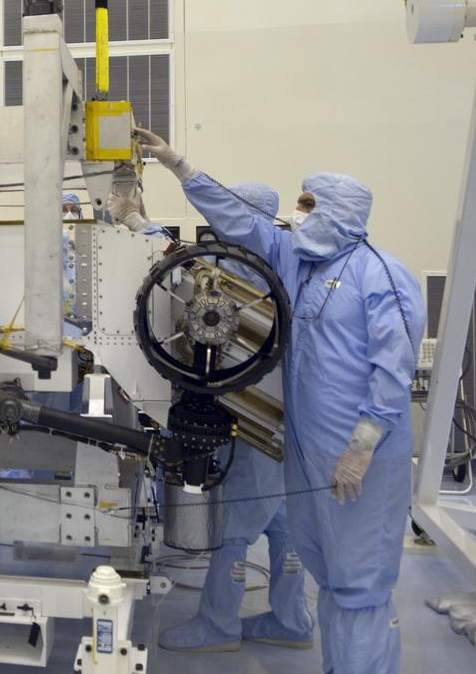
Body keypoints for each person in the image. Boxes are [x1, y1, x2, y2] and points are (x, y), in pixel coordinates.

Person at [134, 127, 424, 674]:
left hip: (358, 459)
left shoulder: (381, 275)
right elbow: (242, 223)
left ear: (342, 212)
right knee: (325, 570)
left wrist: (362, 445)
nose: (300, 214)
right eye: (299, 203)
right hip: (306, 451)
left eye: (310, 205)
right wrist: (179, 165)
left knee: (357, 583)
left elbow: (393, 368)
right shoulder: (299, 264)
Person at [146, 182, 315, 653]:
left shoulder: (246, 273)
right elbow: (175, 257)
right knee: (282, 519)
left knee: (236, 524)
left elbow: (186, 284)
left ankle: (219, 625)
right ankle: (291, 619)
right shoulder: (275, 264)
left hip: (247, 413)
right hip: (281, 415)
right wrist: (141, 223)